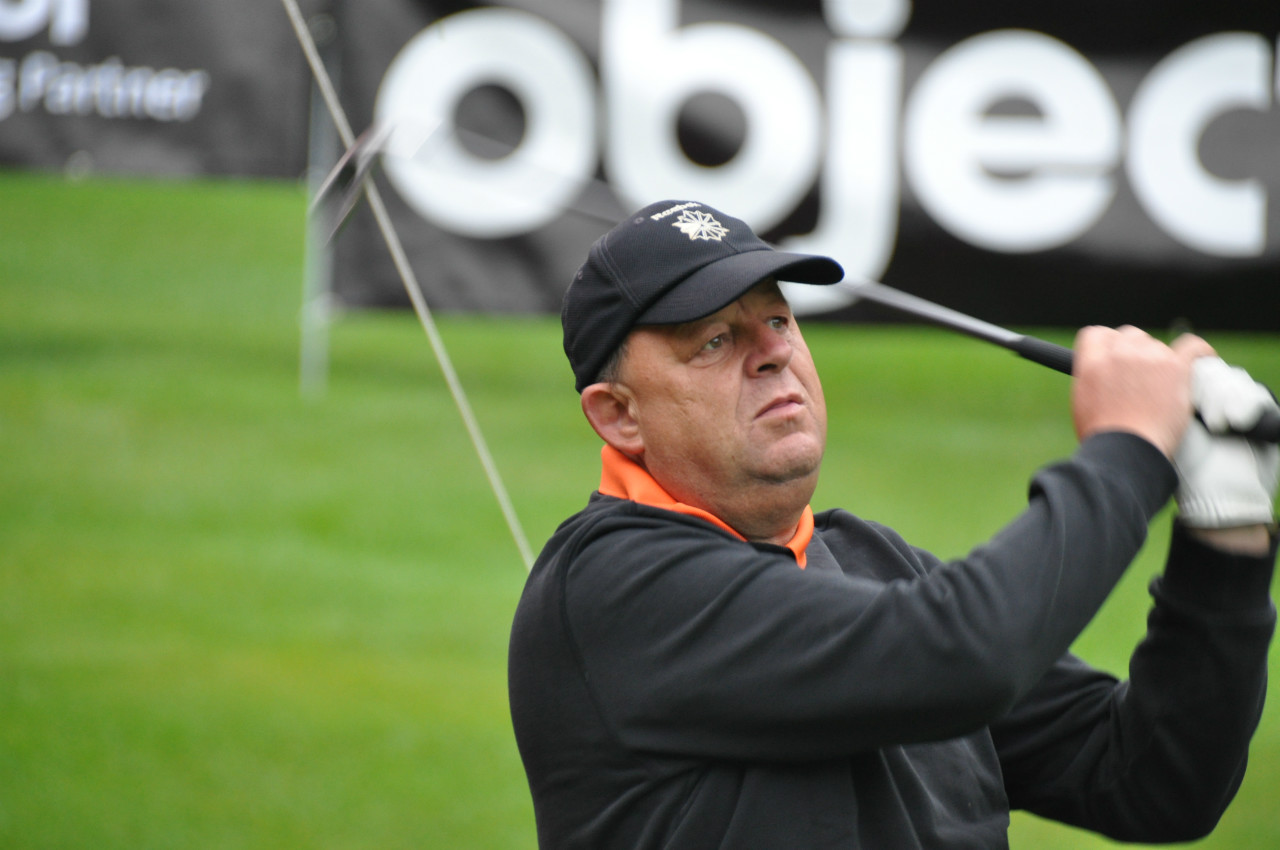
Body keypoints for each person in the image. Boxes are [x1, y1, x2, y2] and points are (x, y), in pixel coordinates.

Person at [507, 200, 1279, 849]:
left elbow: (1154, 783)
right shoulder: (614, 585)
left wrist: (1227, 534)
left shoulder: (871, 562)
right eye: (713, 340)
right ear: (620, 415)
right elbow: (969, 655)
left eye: (778, 318)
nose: (773, 352)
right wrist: (1130, 448)